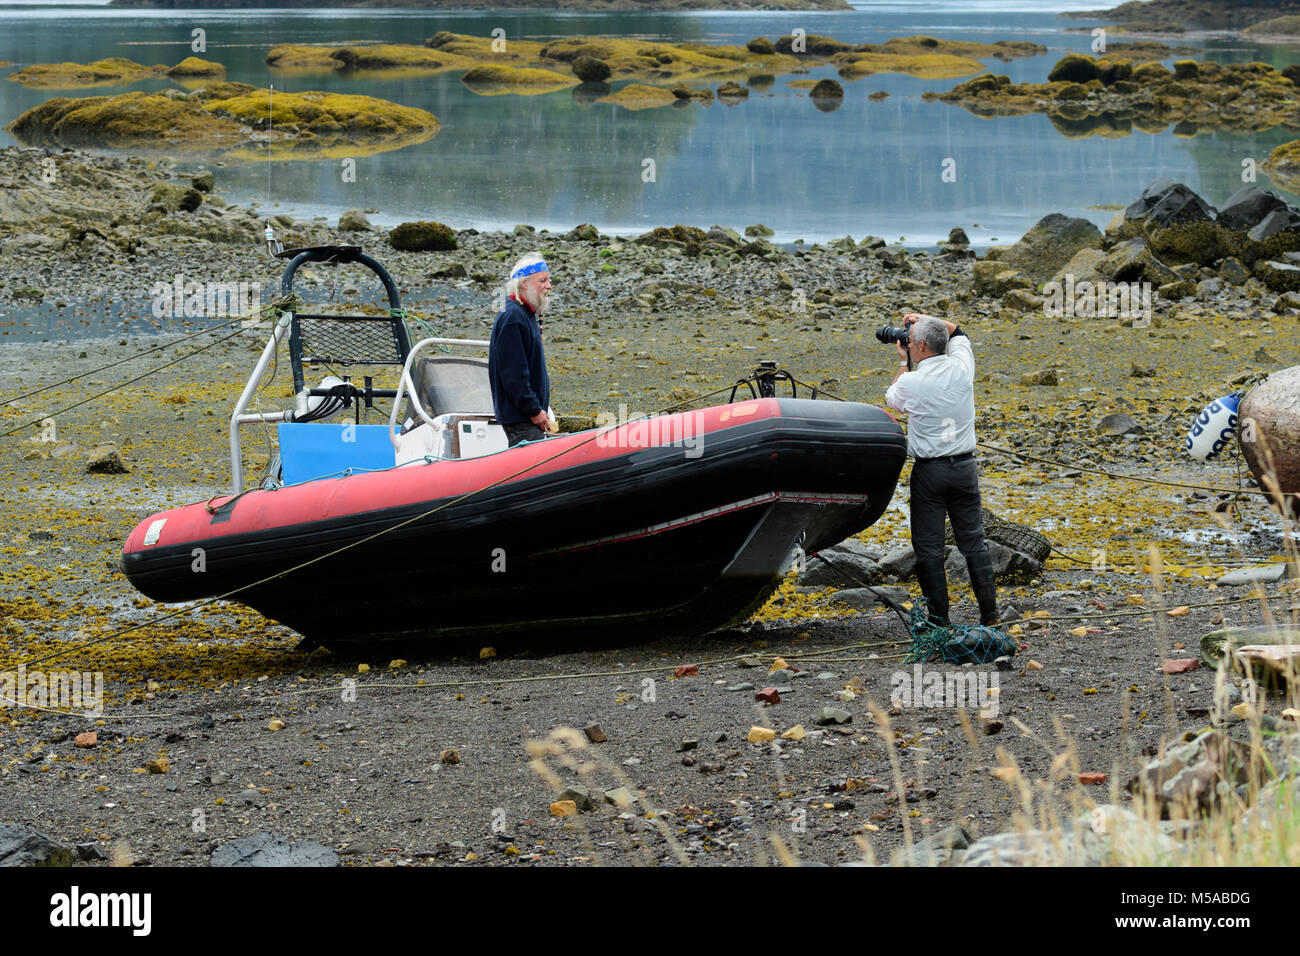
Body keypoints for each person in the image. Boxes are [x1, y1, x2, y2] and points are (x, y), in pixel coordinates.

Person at [883, 313, 998, 627]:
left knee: (929, 547)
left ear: (918, 345)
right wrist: (927, 319)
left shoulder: (912, 380)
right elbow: (959, 330)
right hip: (964, 468)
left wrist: (904, 362)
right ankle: (991, 614)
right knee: (974, 541)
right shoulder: (963, 367)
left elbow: (892, 399)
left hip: (930, 472)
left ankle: (940, 621)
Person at [489, 253, 553, 447]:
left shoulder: (525, 313)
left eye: (548, 280)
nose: (548, 286)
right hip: (522, 418)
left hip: (528, 416)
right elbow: (514, 375)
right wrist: (534, 410)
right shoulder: (514, 317)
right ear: (524, 283)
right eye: (542, 281)